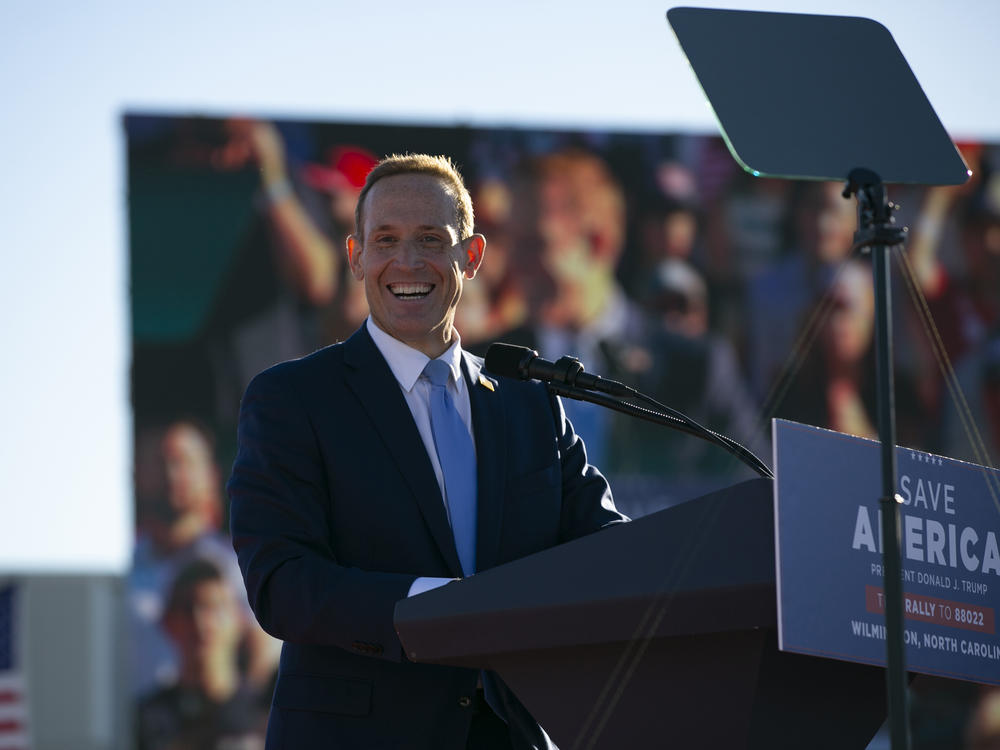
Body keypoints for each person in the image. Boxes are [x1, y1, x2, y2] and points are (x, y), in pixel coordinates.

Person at [227, 153, 628, 749]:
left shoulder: (530, 404)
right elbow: (282, 585)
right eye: (385, 239)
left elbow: (612, 553)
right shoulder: (293, 399)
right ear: (356, 257)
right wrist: (435, 606)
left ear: (471, 257)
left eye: (431, 240)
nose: (407, 261)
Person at [136, 559, 268, 750]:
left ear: (240, 620)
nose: (200, 622)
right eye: (187, 609)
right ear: (167, 622)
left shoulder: (267, 714)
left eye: (213, 607)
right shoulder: (144, 720)